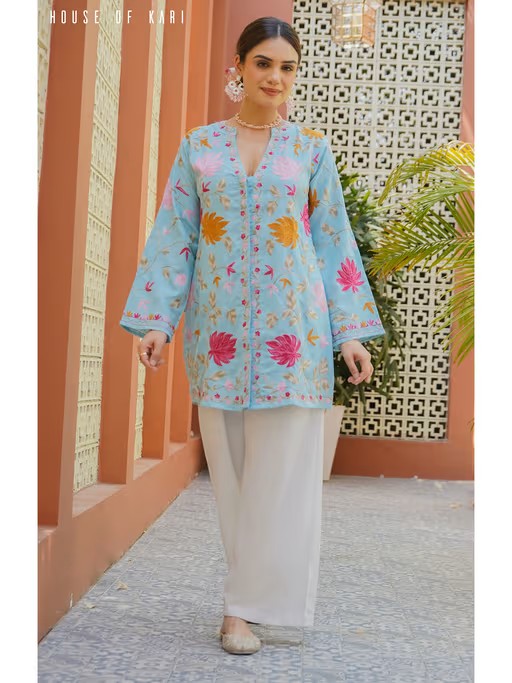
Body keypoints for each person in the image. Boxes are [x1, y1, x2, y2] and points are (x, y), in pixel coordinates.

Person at [119, 16, 385, 654]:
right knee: (234, 475)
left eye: (287, 67)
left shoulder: (310, 151)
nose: (275, 77)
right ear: (237, 68)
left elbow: (333, 241)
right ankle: (247, 597)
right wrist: (157, 319)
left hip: (296, 336)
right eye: (263, 63)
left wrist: (350, 332)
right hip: (219, 339)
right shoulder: (199, 147)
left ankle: (240, 610)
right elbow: (175, 236)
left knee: (281, 478)